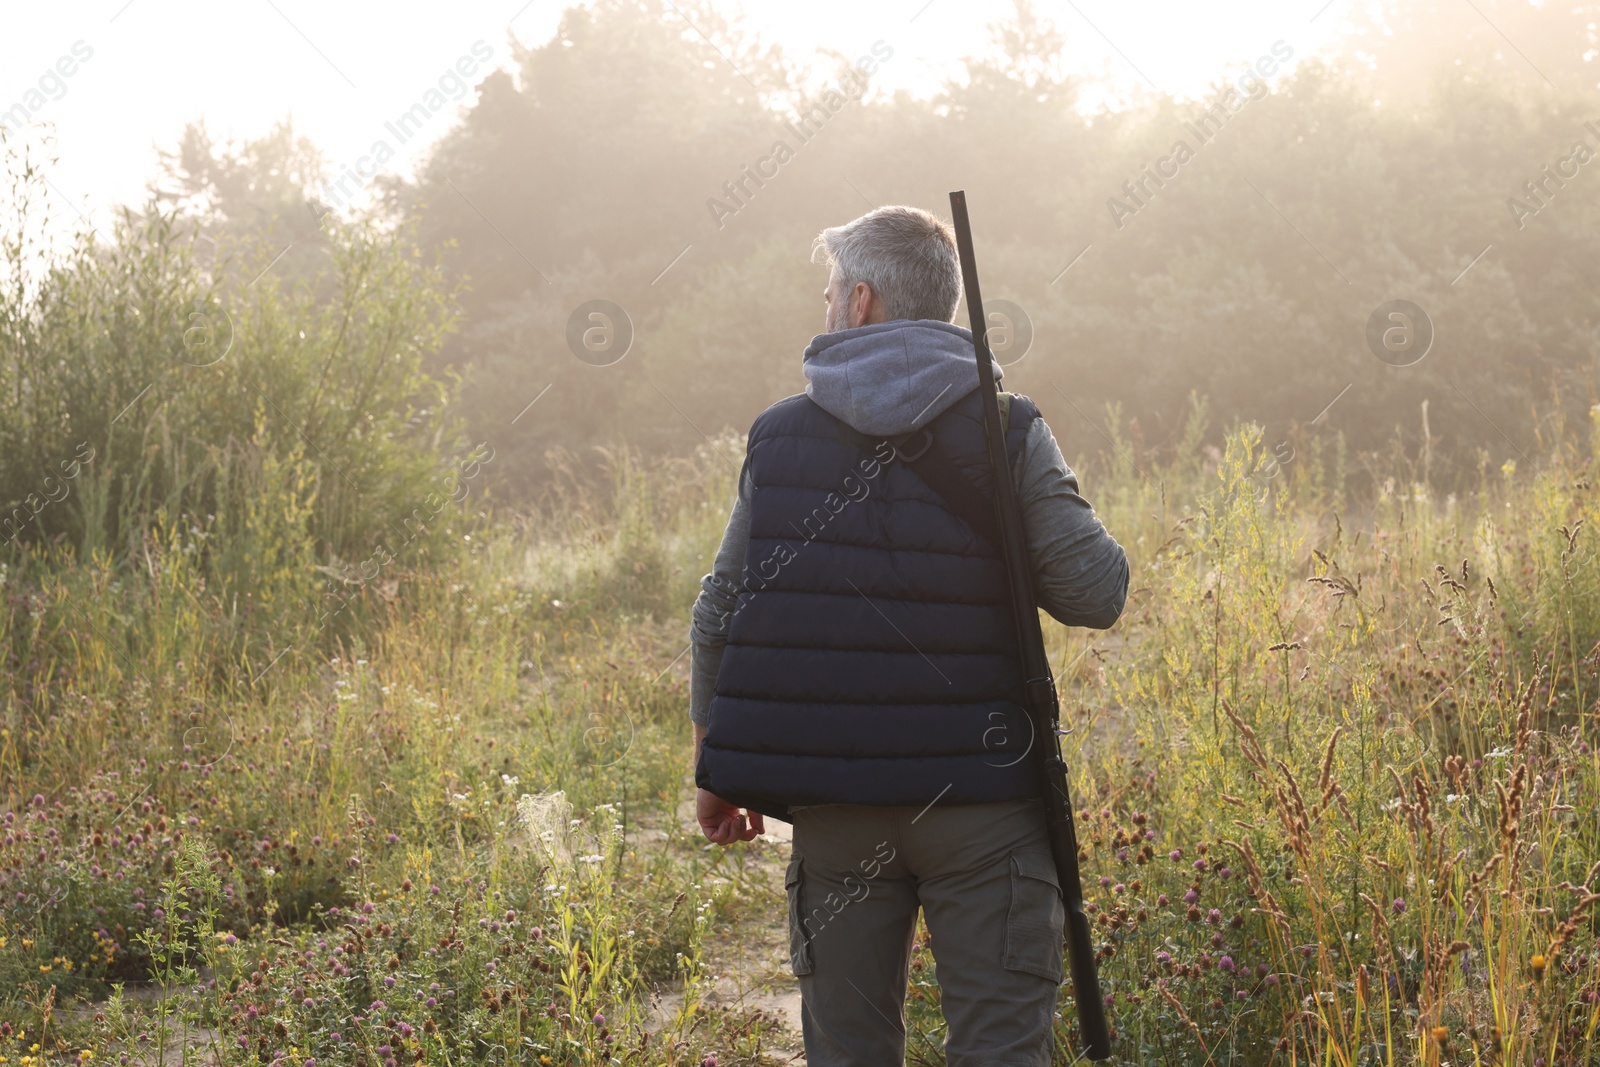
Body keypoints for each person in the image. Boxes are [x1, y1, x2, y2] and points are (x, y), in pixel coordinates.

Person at [687, 204, 1128, 1067]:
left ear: (860, 303)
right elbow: (1096, 593)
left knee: (850, 1052)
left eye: (827, 293)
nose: (823, 308)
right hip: (987, 806)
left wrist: (716, 765)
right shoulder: (1007, 427)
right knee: (1001, 1051)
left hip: (834, 808)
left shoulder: (778, 436)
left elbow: (719, 608)